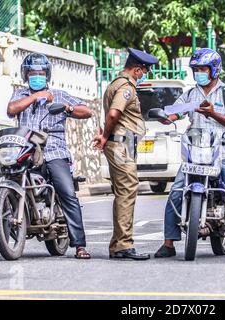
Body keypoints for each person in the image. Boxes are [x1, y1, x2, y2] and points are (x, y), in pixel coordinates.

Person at [0, 52, 93, 259]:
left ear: (47, 75)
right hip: (25, 151)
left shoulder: (59, 94)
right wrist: (36, 97)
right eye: (32, 73)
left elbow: (87, 111)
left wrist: (68, 108)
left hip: (54, 151)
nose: (36, 76)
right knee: (2, 190)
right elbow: (12, 110)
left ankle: (80, 244)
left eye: (40, 73)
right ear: (25, 75)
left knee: (66, 192)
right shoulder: (21, 95)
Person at [154, 48, 225, 259]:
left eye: (203, 69)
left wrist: (213, 113)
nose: (199, 73)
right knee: (176, 191)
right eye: (196, 69)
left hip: (224, 150)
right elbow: (175, 113)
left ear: (214, 70)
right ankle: (168, 243)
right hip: (195, 152)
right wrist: (165, 117)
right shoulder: (191, 94)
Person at [93, 48, 158, 260]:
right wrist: (105, 136)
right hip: (121, 146)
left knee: (123, 193)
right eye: (144, 72)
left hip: (121, 145)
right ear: (137, 70)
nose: (143, 76)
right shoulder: (126, 87)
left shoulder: (114, 84)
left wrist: (106, 135)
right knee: (127, 193)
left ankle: (119, 245)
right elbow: (114, 113)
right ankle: (122, 246)